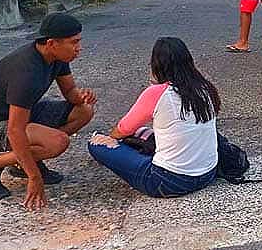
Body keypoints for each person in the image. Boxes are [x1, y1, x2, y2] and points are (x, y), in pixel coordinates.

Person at [0, 13, 95, 208]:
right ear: (52, 43)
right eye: (74, 42)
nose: (79, 48)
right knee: (57, 142)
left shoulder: (58, 57)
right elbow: (14, 130)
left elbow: (69, 91)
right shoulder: (27, 73)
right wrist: (34, 178)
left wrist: (82, 97)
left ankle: (22, 161)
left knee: (84, 111)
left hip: (23, 114)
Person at [88, 37, 219, 198]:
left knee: (95, 143)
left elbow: (122, 129)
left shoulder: (157, 92)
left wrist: (111, 139)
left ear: (156, 65)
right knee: (142, 131)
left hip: (168, 181)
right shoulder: (205, 87)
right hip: (208, 173)